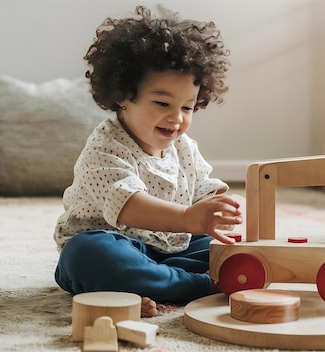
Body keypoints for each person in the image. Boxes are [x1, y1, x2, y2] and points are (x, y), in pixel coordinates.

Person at [53, 5, 241, 318]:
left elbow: (204, 190)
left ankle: (142, 286)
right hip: (118, 246)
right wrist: (188, 218)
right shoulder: (105, 148)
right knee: (85, 257)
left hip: (172, 250)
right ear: (122, 95)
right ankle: (197, 286)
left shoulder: (183, 147)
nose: (177, 118)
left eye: (188, 108)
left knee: (229, 248)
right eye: (163, 103)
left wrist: (223, 209)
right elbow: (129, 205)